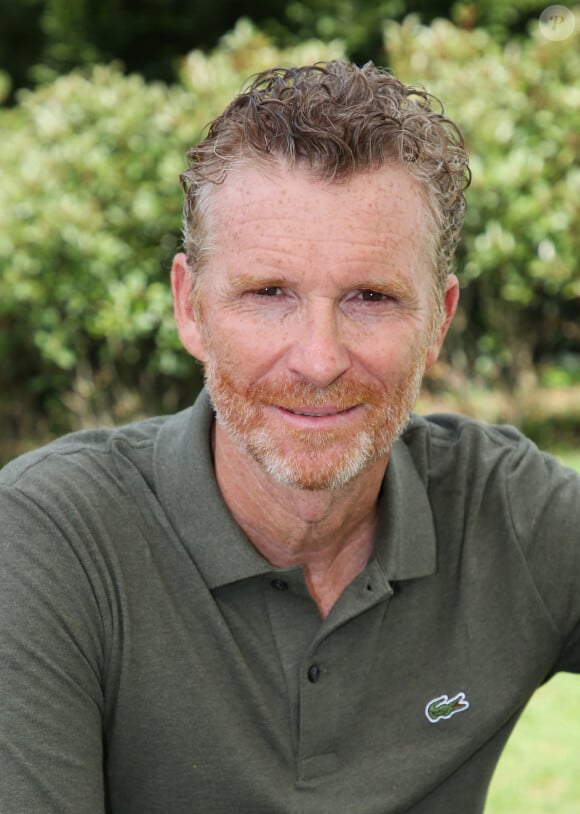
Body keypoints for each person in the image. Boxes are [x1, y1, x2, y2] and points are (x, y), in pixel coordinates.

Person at [0, 60, 578, 814]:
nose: (319, 359)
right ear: (191, 306)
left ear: (438, 320)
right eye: (269, 293)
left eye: (371, 297)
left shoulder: (510, 513)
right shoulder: (47, 544)